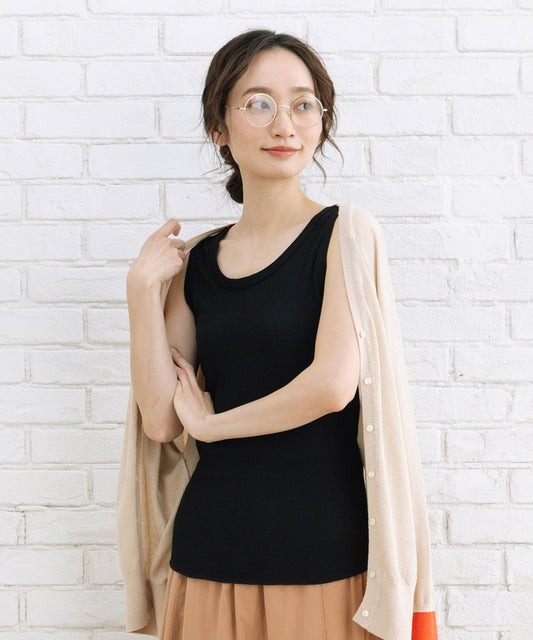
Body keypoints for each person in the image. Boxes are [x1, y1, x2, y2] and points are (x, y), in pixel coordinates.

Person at [122, 28, 438, 640]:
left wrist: (212, 425)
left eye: (303, 104)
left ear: (321, 122)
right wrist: (140, 293)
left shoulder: (344, 233)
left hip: (324, 555)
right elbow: (161, 420)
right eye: (259, 103)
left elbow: (330, 386)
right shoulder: (197, 262)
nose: (284, 125)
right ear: (219, 126)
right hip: (208, 552)